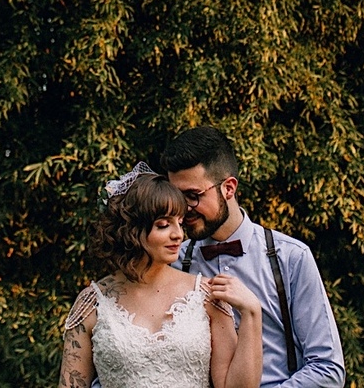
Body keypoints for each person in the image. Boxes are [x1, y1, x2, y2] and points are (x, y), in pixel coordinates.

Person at [162, 127, 346, 388]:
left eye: (193, 196)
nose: (184, 209)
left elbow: (328, 369)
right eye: (176, 197)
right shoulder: (172, 262)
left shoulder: (290, 258)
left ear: (228, 188)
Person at [59, 163, 263, 388]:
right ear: (130, 230)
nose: (178, 234)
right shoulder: (91, 304)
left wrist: (252, 314)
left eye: (180, 222)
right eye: (164, 225)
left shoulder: (207, 297)